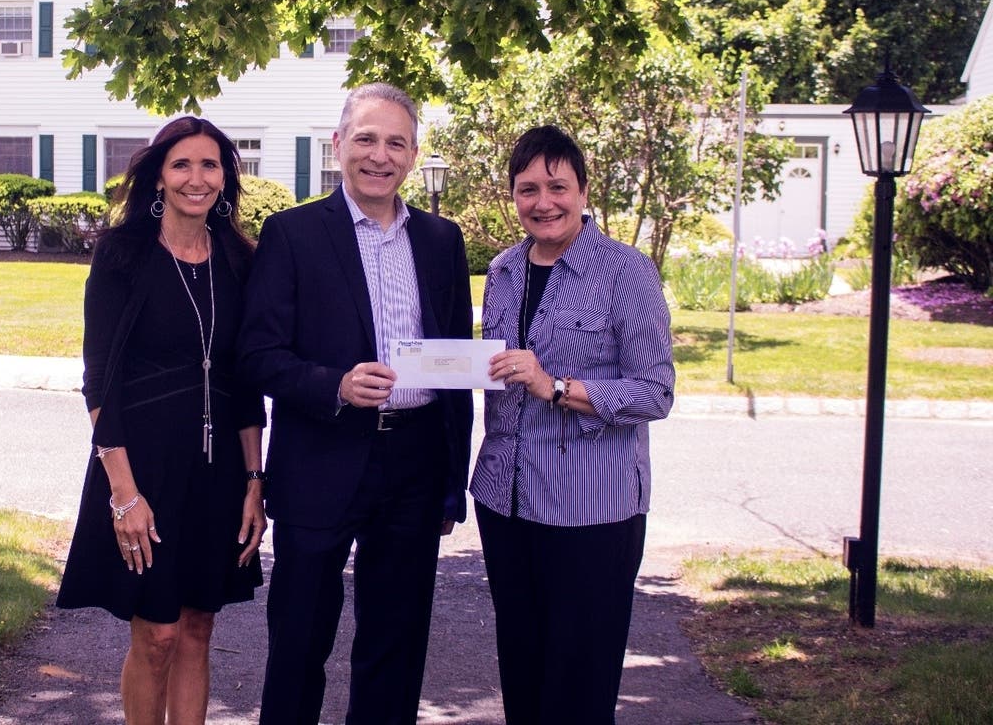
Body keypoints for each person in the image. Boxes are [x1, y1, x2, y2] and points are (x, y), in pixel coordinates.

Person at [238, 83, 474, 725]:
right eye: (366, 138)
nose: (379, 155)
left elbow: (456, 364)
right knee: (299, 639)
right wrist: (334, 385)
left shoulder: (440, 240)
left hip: (415, 463)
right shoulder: (291, 234)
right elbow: (257, 355)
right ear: (338, 145)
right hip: (322, 458)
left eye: (396, 142)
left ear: (414, 155)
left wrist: (453, 480)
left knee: (395, 644)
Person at [56, 116, 267, 725]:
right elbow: (99, 380)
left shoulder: (240, 259)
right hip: (143, 469)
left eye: (209, 165)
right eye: (182, 165)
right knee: (157, 635)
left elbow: (246, 379)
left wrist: (256, 480)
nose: (196, 178)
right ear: (158, 176)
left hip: (220, 472)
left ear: (226, 176)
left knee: (199, 627)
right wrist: (124, 493)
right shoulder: (123, 255)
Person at [472, 125, 675, 724]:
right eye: (527, 189)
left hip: (591, 509)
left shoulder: (626, 273)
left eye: (557, 186)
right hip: (506, 500)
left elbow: (655, 392)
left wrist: (557, 386)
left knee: (579, 684)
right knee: (524, 670)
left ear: (583, 192)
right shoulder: (504, 270)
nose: (543, 202)